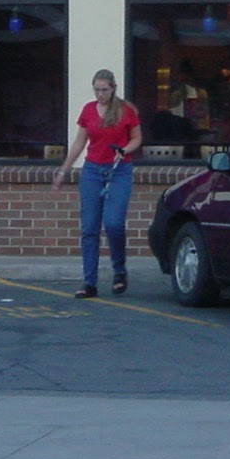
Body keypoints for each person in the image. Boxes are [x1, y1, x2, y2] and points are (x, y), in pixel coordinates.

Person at [52, 68, 142, 298]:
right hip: (92, 170)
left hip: (118, 170)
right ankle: (89, 282)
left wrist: (125, 150)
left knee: (113, 223)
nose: (100, 94)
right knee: (90, 227)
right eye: (97, 89)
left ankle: (119, 270)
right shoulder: (89, 110)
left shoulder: (126, 110)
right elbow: (79, 143)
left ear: (113, 89)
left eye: (104, 90)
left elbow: (137, 138)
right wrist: (64, 170)